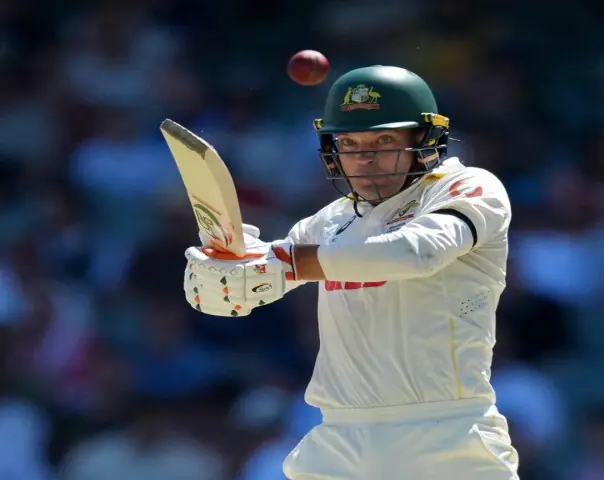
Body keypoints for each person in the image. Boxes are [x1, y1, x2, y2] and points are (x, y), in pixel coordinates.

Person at [183, 65, 518, 479]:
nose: (365, 159)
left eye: (384, 140)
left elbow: (415, 254)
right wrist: (223, 270)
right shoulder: (328, 222)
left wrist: (290, 260)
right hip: (338, 439)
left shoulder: (465, 188)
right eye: (349, 142)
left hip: (444, 436)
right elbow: (240, 295)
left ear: (426, 140)